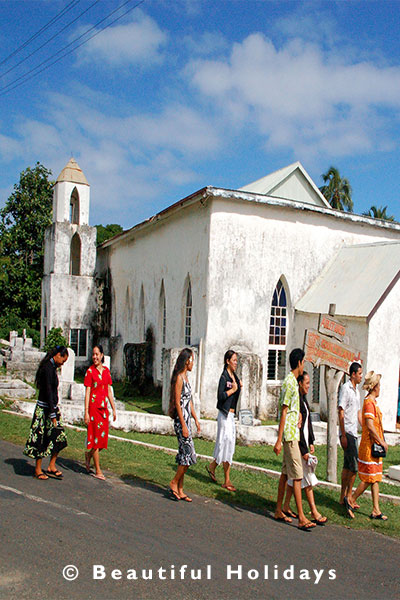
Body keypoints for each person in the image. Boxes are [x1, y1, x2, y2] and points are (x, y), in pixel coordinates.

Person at [273, 348, 316, 530]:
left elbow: (291, 408)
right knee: (297, 476)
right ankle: (302, 517)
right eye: (303, 361)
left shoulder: (292, 383)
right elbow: (283, 410)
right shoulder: (289, 383)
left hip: (293, 433)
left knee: (285, 474)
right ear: (299, 362)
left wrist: (297, 414)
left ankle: (278, 509)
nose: (304, 364)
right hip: (290, 436)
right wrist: (279, 439)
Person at [283, 372, 327, 525]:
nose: (309, 386)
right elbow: (298, 429)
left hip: (305, 443)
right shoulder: (297, 402)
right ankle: (313, 511)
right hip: (299, 444)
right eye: (307, 383)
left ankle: (286, 505)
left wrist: (312, 441)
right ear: (300, 383)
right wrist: (304, 450)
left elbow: (307, 423)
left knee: (293, 477)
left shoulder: (303, 400)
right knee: (305, 478)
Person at [24, 346, 69, 480]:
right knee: (41, 439)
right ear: (58, 356)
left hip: (52, 408)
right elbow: (48, 392)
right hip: (45, 409)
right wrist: (52, 414)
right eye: (63, 360)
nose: (62, 364)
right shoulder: (47, 369)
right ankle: (38, 469)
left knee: (58, 436)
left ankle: (51, 466)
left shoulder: (52, 368)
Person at [352, 371, 388, 520]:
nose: (380, 388)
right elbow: (370, 425)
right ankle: (351, 499)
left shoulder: (372, 403)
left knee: (375, 477)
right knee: (368, 479)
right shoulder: (369, 403)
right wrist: (381, 441)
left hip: (374, 446)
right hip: (370, 446)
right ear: (374, 387)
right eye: (379, 386)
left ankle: (376, 509)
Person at [206, 350, 242, 491]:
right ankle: (221, 474)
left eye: (236, 360)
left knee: (229, 444)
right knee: (223, 443)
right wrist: (232, 390)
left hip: (231, 416)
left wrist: (238, 386)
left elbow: (236, 388)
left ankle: (215, 469)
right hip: (224, 415)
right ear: (227, 361)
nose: (236, 363)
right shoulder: (224, 377)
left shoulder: (234, 377)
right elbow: (220, 396)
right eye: (234, 360)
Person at [168, 348, 201, 502]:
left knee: (183, 456)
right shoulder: (179, 378)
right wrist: (184, 424)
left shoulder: (186, 378)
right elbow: (178, 403)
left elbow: (190, 403)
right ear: (186, 360)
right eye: (192, 360)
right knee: (189, 455)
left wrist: (195, 419)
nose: (193, 363)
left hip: (187, 420)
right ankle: (174, 482)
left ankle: (180, 489)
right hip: (181, 422)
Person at [84, 345, 117, 480]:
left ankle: (89, 455)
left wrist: (113, 408)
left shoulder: (106, 372)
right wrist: (86, 412)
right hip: (93, 409)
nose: (95, 357)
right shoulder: (90, 372)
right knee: (96, 439)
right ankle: (98, 470)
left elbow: (108, 391)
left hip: (103, 410)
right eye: (93, 354)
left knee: (102, 441)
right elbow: (87, 393)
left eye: (97, 354)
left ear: (102, 355)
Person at [338, 361, 363, 517]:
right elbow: (341, 412)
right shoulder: (345, 389)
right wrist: (343, 434)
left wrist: (365, 427)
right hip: (347, 432)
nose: (361, 376)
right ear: (353, 374)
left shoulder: (357, 391)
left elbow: (358, 413)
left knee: (347, 466)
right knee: (354, 467)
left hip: (354, 432)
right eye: (359, 373)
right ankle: (348, 497)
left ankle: (342, 496)